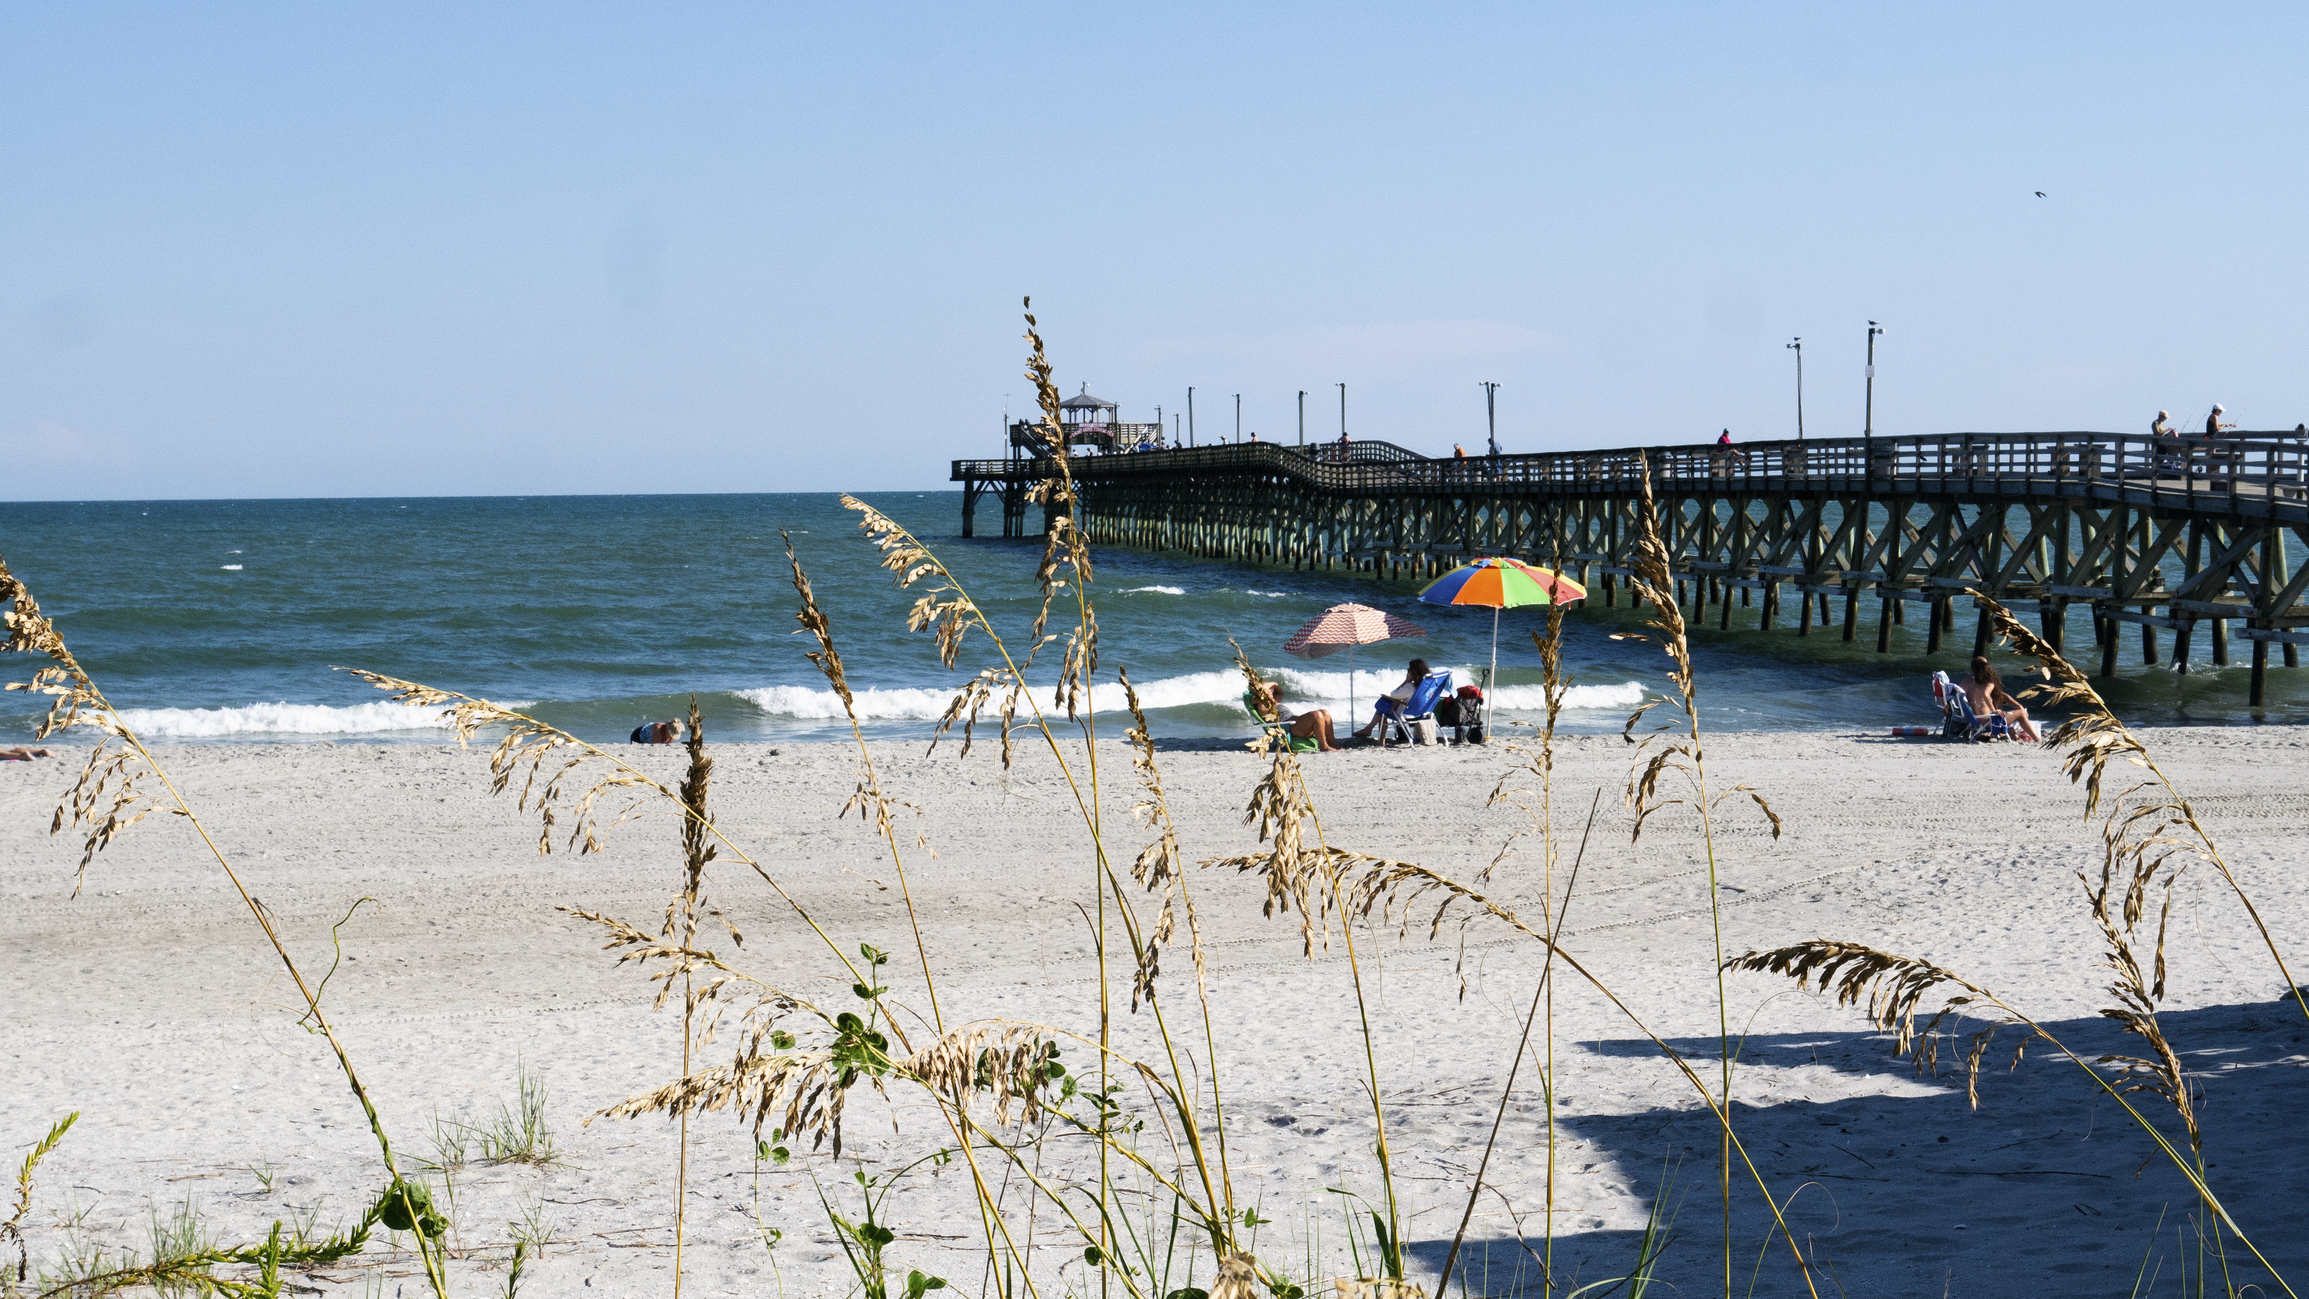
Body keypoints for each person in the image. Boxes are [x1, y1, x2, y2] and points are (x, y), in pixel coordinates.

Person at [1961, 655, 2041, 743]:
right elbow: (1985, 694)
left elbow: (1959, 691)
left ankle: (2015, 738)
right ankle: (2037, 739)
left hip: (1976, 719)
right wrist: (1994, 710)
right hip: (1988, 720)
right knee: (2021, 713)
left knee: (2005, 714)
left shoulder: (1968, 682)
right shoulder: (1988, 684)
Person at [1353, 658, 1432, 740]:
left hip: (1408, 716)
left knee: (1383, 707)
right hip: (1423, 714)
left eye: (1409, 670)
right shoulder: (1427, 687)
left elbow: (1393, 695)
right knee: (1384, 707)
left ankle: (1372, 732)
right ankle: (1370, 730)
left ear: (1412, 673)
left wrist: (1406, 681)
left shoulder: (1410, 687)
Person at [1259, 682, 1338, 752]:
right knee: (1316, 715)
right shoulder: (1262, 706)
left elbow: (1280, 693)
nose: (1271, 691)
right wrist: (1272, 683)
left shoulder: (1274, 701)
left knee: (1325, 713)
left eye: (1271, 690)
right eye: (1268, 690)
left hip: (1294, 722)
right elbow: (1262, 688)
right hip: (1289, 727)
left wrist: (1275, 685)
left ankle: (1332, 744)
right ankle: (1323, 746)